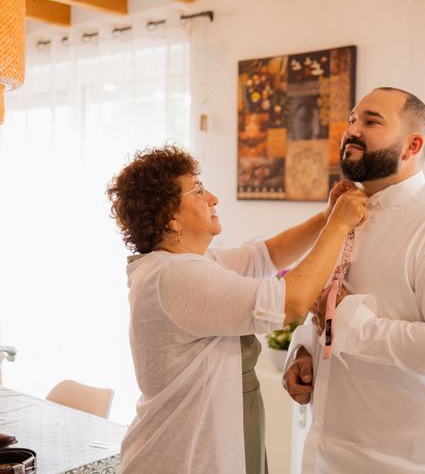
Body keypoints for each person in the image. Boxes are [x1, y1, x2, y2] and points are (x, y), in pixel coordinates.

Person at [106, 145, 367, 474]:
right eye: (198, 190)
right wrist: (338, 226)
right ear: (170, 219)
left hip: (218, 434)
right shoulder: (176, 276)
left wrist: (324, 217)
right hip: (184, 455)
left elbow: (266, 255)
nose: (213, 198)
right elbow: (292, 301)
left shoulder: (186, 263)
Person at [283, 87, 425, 473]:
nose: (352, 130)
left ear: (411, 145)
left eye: (371, 121)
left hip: (406, 461)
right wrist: (302, 350)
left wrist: (346, 321)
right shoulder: (345, 214)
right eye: (351, 119)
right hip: (326, 453)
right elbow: (324, 305)